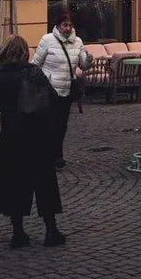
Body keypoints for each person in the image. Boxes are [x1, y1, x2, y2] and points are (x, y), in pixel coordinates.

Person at [0, 35, 65, 247]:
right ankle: (51, 230)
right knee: (44, 182)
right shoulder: (32, 72)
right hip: (36, 134)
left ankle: (18, 232)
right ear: (24, 51)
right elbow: (50, 100)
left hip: (10, 135)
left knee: (14, 181)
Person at [33, 9, 89, 170]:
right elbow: (36, 63)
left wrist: (88, 59)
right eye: (65, 25)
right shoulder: (47, 40)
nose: (68, 28)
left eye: (70, 25)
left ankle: (57, 155)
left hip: (67, 89)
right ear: (58, 25)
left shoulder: (78, 42)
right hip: (49, 90)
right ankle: (48, 155)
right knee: (49, 124)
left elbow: (83, 65)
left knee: (61, 125)